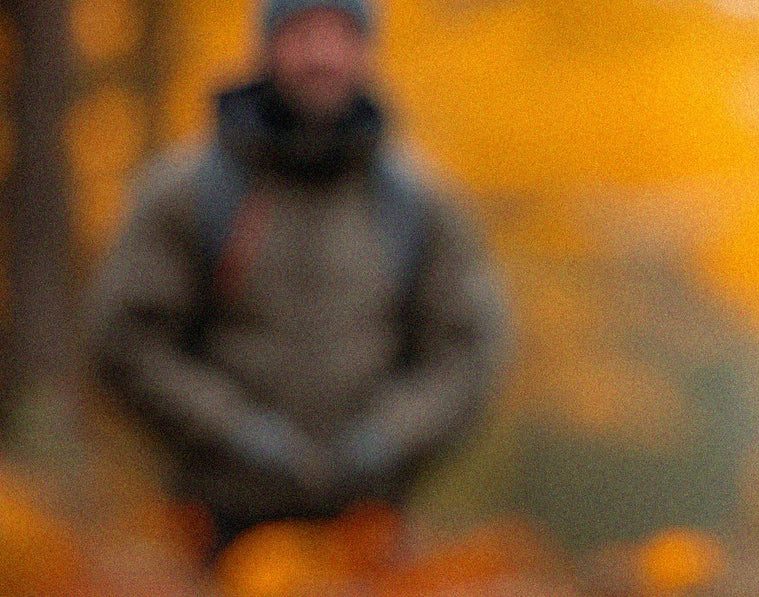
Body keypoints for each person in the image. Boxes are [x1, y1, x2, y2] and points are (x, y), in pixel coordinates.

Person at [89, 0, 506, 554]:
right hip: (213, 529)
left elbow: (469, 351)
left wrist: (389, 437)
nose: (321, 56)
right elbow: (124, 338)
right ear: (266, 46)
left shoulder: (417, 204)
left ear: (365, 50)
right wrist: (232, 431)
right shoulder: (190, 192)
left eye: (340, 33)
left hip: (371, 530)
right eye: (301, 32)